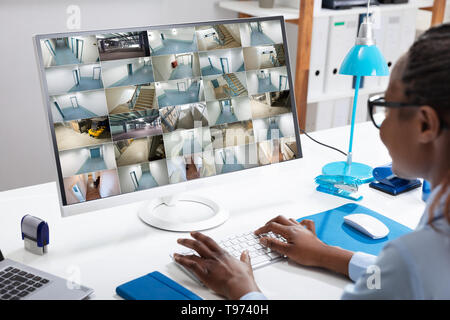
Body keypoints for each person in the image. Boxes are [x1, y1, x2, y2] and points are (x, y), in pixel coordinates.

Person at [173, 23, 450, 300]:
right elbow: (395, 282)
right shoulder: (435, 225)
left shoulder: (417, 256)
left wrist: (242, 289)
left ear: (426, 125)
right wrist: (325, 254)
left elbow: (406, 275)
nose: (382, 126)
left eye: (386, 107)